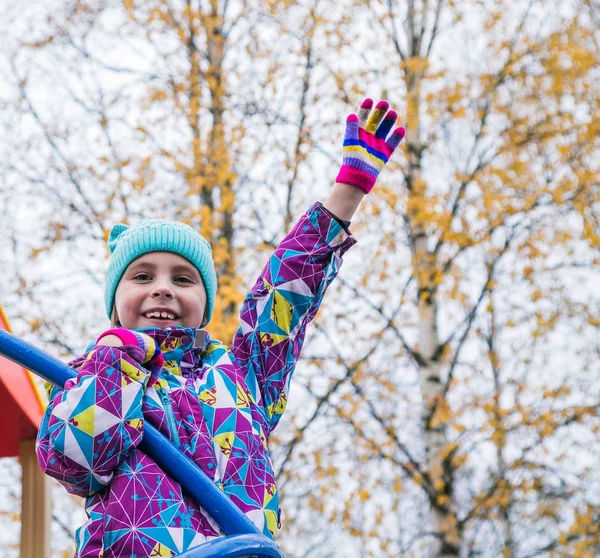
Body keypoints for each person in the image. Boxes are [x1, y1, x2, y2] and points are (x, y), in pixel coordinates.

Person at [35, 99, 405, 557]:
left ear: (204, 306)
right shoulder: (87, 376)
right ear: (115, 305)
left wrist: (345, 195)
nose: (163, 289)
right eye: (143, 276)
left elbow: (283, 298)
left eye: (183, 279)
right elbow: (77, 462)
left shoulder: (242, 375)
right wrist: (115, 364)